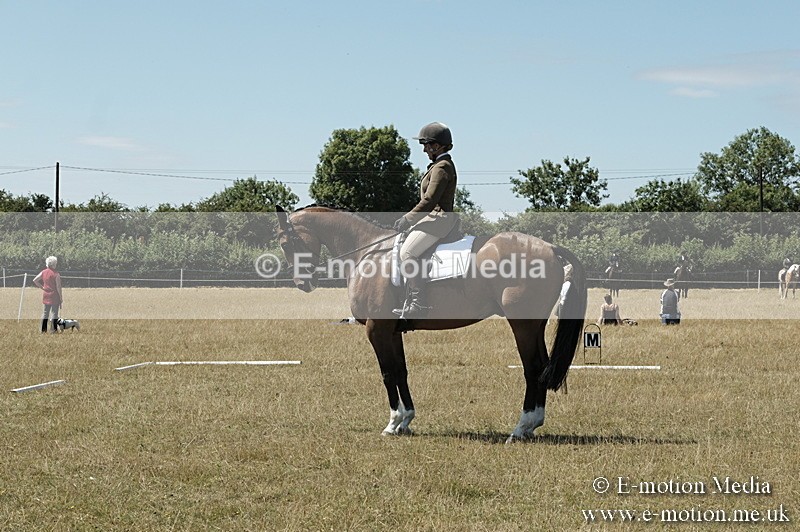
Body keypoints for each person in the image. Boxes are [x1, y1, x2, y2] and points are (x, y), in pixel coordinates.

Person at [392, 122, 459, 319]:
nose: (424, 149)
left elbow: (430, 200)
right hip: (432, 220)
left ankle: (418, 304)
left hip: (438, 220)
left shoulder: (442, 167)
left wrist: (408, 219)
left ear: (436, 146)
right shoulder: (438, 166)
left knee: (408, 253)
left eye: (426, 145)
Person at [32, 256, 63, 334]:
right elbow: (58, 287)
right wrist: (61, 297)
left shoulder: (43, 272)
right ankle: (53, 330)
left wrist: (42, 287)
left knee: (45, 313)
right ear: (54, 264)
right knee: (54, 313)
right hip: (54, 295)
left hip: (46, 295)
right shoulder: (56, 274)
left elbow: (35, 280)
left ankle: (43, 330)